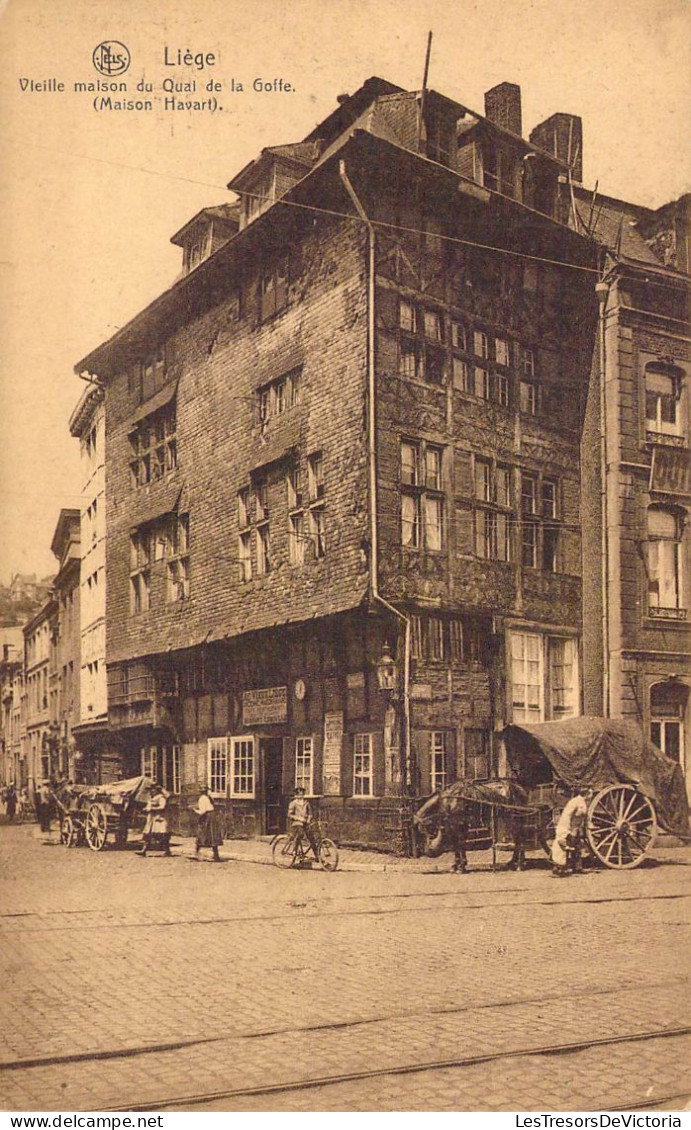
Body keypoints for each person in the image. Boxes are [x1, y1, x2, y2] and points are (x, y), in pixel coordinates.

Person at [551, 793, 587, 877]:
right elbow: (569, 816)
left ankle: (575, 866)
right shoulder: (577, 802)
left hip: (572, 825)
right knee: (564, 843)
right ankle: (561, 867)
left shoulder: (578, 801)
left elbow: (581, 815)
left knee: (571, 843)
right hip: (568, 825)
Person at [137, 784, 171, 857]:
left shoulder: (161, 798)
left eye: (153, 790)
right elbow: (148, 806)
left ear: (156, 791)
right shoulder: (151, 799)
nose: (151, 791)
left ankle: (167, 850)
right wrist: (145, 809)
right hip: (151, 819)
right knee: (148, 835)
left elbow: (162, 807)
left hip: (159, 818)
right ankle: (144, 850)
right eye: (151, 790)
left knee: (162, 835)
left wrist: (152, 809)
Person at [287, 786, 319, 858]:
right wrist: (299, 818)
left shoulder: (306, 803)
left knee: (311, 837)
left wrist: (308, 819)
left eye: (302, 794)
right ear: (296, 795)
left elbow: (310, 813)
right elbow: (290, 814)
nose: (300, 796)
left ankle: (317, 855)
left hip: (305, 823)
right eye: (299, 794)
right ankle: (294, 850)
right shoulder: (293, 803)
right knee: (300, 834)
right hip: (296, 823)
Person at [194, 786, 223, 862]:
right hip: (212, 817)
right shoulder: (209, 797)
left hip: (207, 817)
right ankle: (216, 856)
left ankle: (197, 852)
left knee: (201, 833)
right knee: (212, 835)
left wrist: (195, 811)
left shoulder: (202, 799)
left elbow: (202, 811)